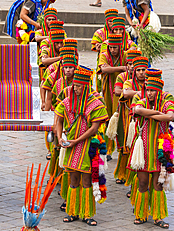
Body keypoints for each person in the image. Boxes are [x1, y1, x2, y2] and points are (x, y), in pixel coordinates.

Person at [55, 67, 108, 226]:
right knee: (73, 179)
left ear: (86, 86)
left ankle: (87, 214)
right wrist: (59, 137)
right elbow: (58, 119)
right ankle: (72, 211)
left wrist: (76, 141)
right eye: (74, 86)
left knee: (86, 180)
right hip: (71, 145)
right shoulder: (67, 101)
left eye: (78, 86)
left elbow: (94, 128)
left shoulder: (95, 104)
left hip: (87, 146)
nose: (75, 88)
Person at [127, 76, 174, 228]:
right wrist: (156, 114)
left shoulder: (167, 101)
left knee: (158, 184)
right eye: (147, 90)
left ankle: (158, 216)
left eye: (153, 91)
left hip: (160, 149)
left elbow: (170, 116)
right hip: (143, 149)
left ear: (159, 91)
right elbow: (137, 110)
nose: (149, 93)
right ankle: (141, 214)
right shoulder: (141, 101)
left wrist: (148, 114)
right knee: (142, 183)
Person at [113, 53, 144, 186]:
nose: (141, 72)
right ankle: (122, 173)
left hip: (144, 121)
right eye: (138, 69)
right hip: (128, 118)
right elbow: (123, 92)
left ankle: (136, 181)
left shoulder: (151, 82)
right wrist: (142, 93)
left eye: (143, 70)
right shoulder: (126, 80)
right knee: (127, 145)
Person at [97, 34, 127, 158]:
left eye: (115, 47)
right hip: (108, 90)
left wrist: (112, 68)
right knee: (108, 117)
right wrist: (122, 68)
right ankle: (108, 148)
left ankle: (121, 146)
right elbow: (104, 70)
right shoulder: (104, 55)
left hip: (122, 89)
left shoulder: (126, 55)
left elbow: (131, 68)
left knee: (120, 117)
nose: (113, 50)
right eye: (111, 47)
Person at [92, 9, 118, 92]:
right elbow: (95, 46)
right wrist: (97, 47)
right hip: (104, 60)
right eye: (110, 21)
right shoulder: (99, 32)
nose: (112, 23)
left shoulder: (122, 32)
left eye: (114, 21)